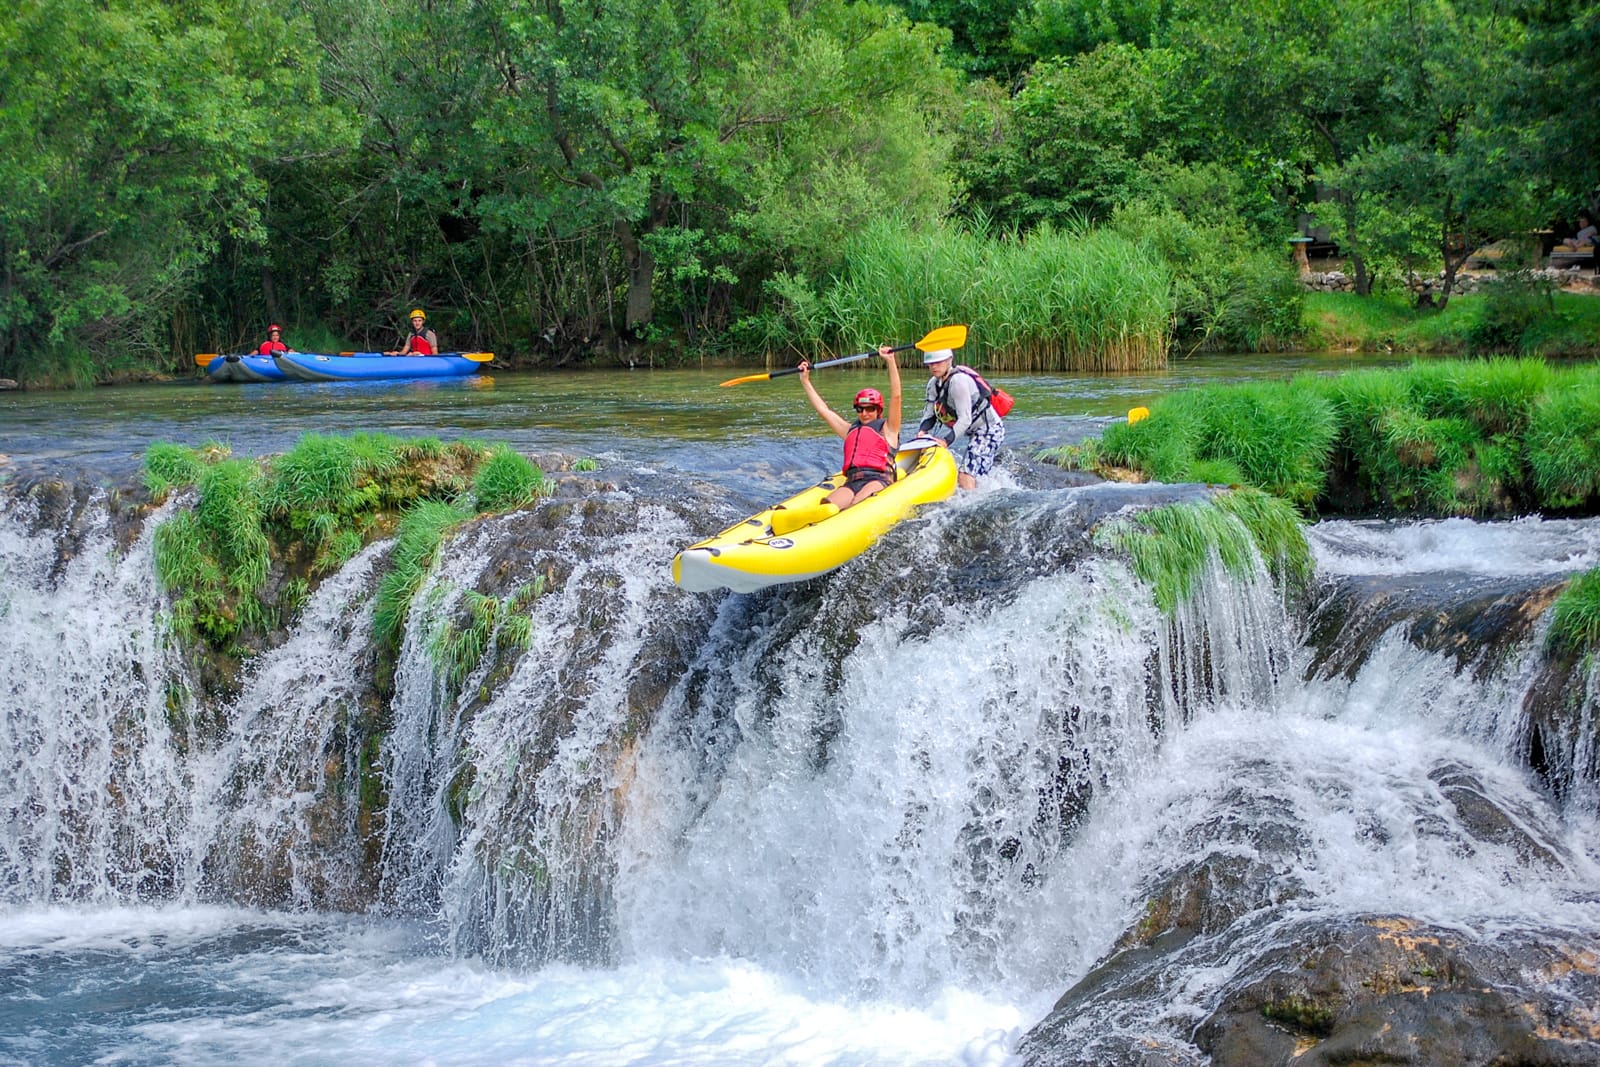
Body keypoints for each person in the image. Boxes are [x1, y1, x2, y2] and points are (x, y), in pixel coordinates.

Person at [799, 344, 903, 510]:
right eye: (860, 409)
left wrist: (890, 361)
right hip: (852, 481)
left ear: (878, 411)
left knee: (857, 505)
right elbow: (823, 410)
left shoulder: (888, 429)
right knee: (826, 508)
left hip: (878, 479)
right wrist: (805, 381)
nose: (865, 413)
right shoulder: (850, 430)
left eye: (870, 409)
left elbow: (896, 396)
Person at [917, 348, 1005, 490]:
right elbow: (929, 414)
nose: (934, 366)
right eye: (930, 363)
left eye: (938, 362)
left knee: (965, 475)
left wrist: (945, 441)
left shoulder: (959, 382)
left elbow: (965, 420)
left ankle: (972, 506)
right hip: (973, 432)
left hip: (989, 430)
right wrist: (922, 431)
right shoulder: (933, 384)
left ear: (949, 360)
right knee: (972, 473)